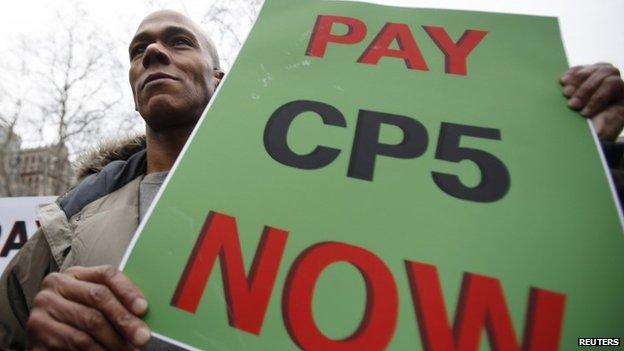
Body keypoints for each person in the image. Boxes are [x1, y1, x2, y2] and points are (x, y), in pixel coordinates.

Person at [0, 9, 623, 351]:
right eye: (138, 51)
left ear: (221, 80)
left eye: (177, 42)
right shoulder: (70, 219)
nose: (152, 55)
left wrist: (569, 153)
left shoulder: (332, 186)